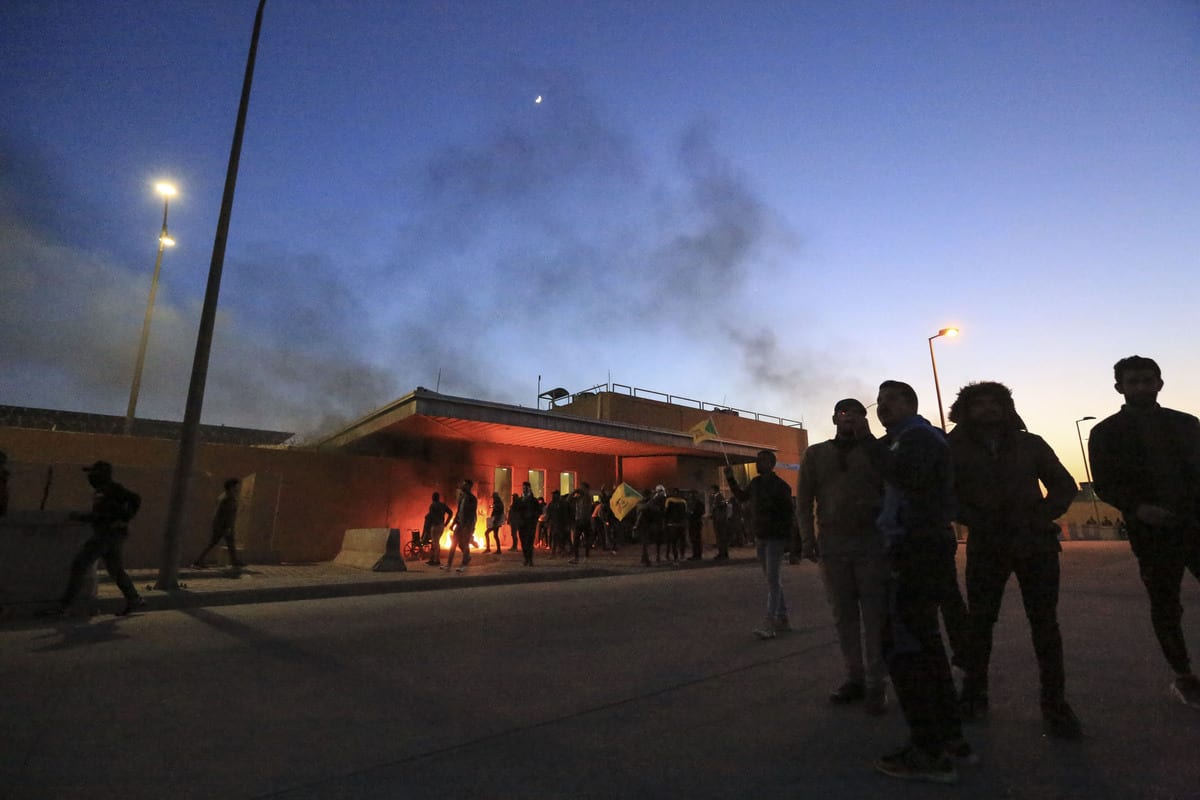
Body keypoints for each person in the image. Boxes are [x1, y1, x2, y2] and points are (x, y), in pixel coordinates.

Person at [948, 382, 1082, 737]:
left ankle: (1055, 703)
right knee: (980, 624)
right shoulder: (952, 448)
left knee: (1045, 625)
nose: (988, 409)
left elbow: (1064, 485)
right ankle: (974, 694)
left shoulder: (1030, 443)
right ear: (965, 409)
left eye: (996, 403)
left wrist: (1040, 516)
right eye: (980, 404)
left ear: (1006, 407)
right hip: (986, 545)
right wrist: (975, 518)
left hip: (1035, 544)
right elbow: (944, 494)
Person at [1089, 355, 1200, 710]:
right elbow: (1104, 484)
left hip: (1195, 524)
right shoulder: (1105, 433)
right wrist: (1138, 508)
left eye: (1147, 380)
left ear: (1160, 384)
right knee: (1166, 604)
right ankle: (1184, 675)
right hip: (1152, 533)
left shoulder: (1187, 424)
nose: (1141, 387)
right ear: (1120, 387)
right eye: (1133, 381)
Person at [872, 381, 969, 783]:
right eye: (877, 402)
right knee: (925, 644)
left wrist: (870, 446)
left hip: (916, 549)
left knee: (905, 647)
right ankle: (950, 741)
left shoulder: (916, 438)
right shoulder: (908, 438)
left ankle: (928, 751)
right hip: (922, 546)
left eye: (888, 400)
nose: (880, 408)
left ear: (910, 403)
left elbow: (910, 479)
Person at [796, 398, 889, 715]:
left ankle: (878, 684)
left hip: (872, 543)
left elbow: (892, 487)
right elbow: (805, 498)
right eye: (844, 414)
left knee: (875, 617)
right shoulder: (817, 454)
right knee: (844, 616)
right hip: (833, 545)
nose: (849, 420)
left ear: (866, 419)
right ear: (834, 418)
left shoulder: (877, 452)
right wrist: (807, 538)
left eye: (857, 415)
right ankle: (855, 678)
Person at [50, 461, 145, 617]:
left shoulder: (110, 490)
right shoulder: (106, 490)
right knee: (115, 569)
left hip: (106, 535)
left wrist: (80, 517)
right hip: (112, 534)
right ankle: (134, 599)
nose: (90, 477)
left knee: (80, 565)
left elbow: (108, 513)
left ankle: (65, 606)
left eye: (94, 473)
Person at [725, 450, 795, 640]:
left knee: (773, 579)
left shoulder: (781, 487)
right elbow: (742, 496)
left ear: (770, 463)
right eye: (757, 460)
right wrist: (731, 480)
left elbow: (789, 514)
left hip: (775, 537)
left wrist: (790, 540)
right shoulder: (755, 483)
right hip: (761, 536)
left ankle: (770, 621)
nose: (757, 463)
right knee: (772, 579)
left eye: (761, 460)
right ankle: (783, 617)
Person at [192, 478, 245, 569]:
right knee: (213, 543)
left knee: (230, 544)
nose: (238, 488)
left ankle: (235, 561)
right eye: (236, 486)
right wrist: (226, 527)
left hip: (225, 526)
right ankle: (198, 561)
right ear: (231, 487)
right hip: (223, 526)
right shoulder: (226, 498)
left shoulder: (227, 497)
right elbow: (221, 514)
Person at [445, 479, 477, 572]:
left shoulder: (472, 499)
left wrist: (469, 526)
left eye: (465, 485)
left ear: (469, 486)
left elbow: (472, 514)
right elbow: (458, 512)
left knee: (465, 544)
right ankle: (448, 564)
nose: (462, 486)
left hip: (467, 524)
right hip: (459, 524)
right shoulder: (462, 497)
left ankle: (463, 564)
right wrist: (453, 523)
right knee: (453, 543)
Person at [511, 482, 539, 566]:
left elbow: (538, 511)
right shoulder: (520, 500)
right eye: (523, 488)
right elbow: (514, 509)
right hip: (522, 524)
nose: (525, 490)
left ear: (529, 488)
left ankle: (530, 559)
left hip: (530, 525)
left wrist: (534, 519)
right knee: (523, 542)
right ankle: (526, 559)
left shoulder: (533, 500)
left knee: (529, 542)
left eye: (526, 488)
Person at [423, 492, 452, 567]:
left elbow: (430, 517)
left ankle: (436, 560)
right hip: (441, 525)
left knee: (435, 543)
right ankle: (432, 559)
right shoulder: (443, 505)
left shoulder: (433, 505)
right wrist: (446, 523)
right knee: (435, 542)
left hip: (435, 526)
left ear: (433, 498)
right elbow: (450, 513)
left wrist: (426, 529)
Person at [569, 483, 594, 564]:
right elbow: (568, 499)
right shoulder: (578, 498)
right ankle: (576, 557)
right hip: (578, 520)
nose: (580, 489)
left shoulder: (588, 497)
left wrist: (579, 491)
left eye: (582, 487)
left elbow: (586, 496)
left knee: (587, 539)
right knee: (576, 539)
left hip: (586, 520)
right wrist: (573, 492)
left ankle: (586, 557)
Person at [708, 485, 730, 560]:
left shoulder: (719, 497)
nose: (710, 492)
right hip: (719, 519)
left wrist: (715, 511)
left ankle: (722, 553)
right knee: (720, 537)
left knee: (721, 537)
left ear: (714, 490)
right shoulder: (716, 497)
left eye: (711, 490)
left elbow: (722, 505)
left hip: (720, 521)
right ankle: (723, 553)